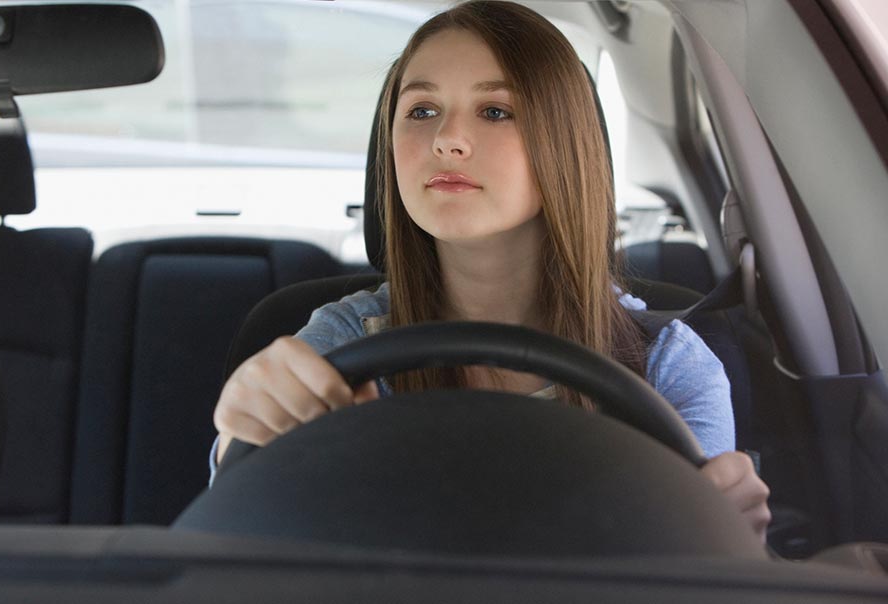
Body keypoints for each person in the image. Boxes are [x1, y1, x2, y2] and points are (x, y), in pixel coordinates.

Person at [211, 0, 771, 541]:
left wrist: (728, 538)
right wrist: (243, 434)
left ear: (563, 146)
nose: (446, 140)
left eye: (496, 111)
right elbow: (244, 543)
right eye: (422, 111)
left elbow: (688, 573)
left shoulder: (669, 365)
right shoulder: (342, 342)